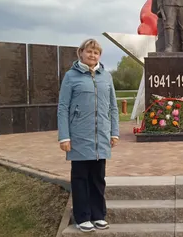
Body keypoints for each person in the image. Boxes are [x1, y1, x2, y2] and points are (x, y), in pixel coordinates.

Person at [57, 38, 119, 233]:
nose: (92, 55)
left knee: (98, 178)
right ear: (81, 53)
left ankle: (98, 215)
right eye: (89, 51)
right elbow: (63, 107)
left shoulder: (106, 77)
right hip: (79, 137)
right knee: (80, 178)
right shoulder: (71, 76)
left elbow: (113, 107)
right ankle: (82, 217)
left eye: (96, 53)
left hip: (101, 136)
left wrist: (114, 132)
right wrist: (64, 137)